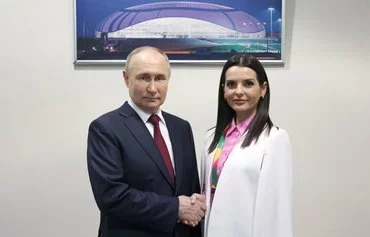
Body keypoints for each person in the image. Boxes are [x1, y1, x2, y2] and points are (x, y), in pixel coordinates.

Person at [87, 46, 205, 237]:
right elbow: (112, 197)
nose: (152, 88)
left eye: (160, 78)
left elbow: (191, 192)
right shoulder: (105, 128)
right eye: (144, 77)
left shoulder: (182, 128)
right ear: (126, 78)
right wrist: (175, 208)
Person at [201, 54, 293, 237]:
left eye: (248, 84)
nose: (238, 91)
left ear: (263, 89)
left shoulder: (275, 139)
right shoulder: (212, 138)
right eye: (231, 84)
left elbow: (277, 210)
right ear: (223, 90)